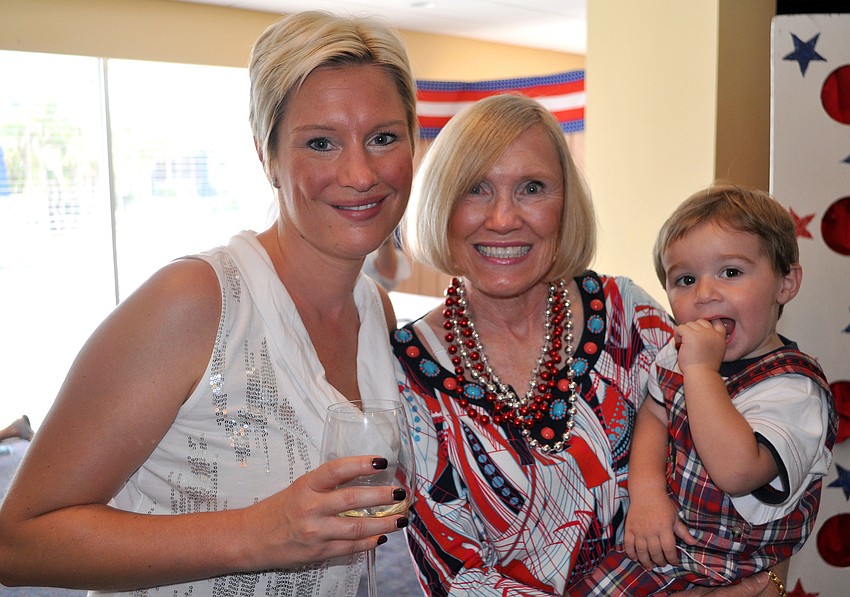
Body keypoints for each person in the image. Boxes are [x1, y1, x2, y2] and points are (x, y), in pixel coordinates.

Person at [0, 11, 418, 596]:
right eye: (320, 142)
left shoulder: (377, 311)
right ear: (267, 156)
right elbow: (17, 541)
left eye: (383, 138)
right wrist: (257, 532)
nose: (360, 172)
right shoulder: (198, 303)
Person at [390, 94, 785, 596]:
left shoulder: (628, 314)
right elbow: (459, 579)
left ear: (565, 202)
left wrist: (764, 570)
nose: (504, 218)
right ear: (441, 202)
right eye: (476, 189)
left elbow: (735, 447)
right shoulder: (406, 372)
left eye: (532, 188)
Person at [572, 185, 838, 595]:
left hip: (735, 566)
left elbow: (737, 471)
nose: (705, 294)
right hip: (665, 551)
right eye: (685, 279)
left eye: (731, 272)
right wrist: (645, 495)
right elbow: (654, 413)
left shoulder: (794, 391)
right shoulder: (678, 355)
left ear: (786, 283)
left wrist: (700, 371)